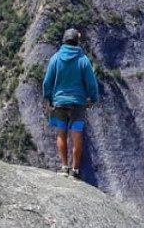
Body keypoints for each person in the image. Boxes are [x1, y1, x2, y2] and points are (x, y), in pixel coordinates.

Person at [41, 28, 100, 179]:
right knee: (77, 135)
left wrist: (47, 98)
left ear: (64, 40)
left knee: (61, 133)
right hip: (78, 104)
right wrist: (93, 99)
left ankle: (64, 167)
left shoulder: (55, 58)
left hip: (59, 103)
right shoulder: (83, 60)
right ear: (77, 41)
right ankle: (75, 170)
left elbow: (47, 81)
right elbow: (91, 83)